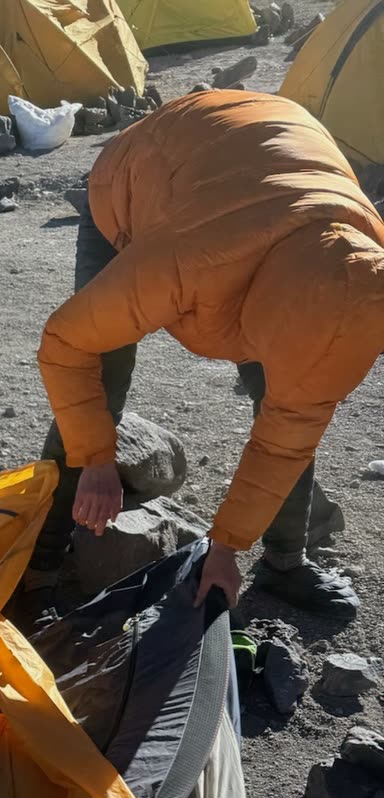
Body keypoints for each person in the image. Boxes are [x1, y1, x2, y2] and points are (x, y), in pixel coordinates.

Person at [29, 90, 384, 619]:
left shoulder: (363, 276)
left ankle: (285, 563)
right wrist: (97, 458)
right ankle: (38, 564)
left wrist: (226, 550)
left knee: (281, 395)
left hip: (265, 170)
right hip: (143, 174)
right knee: (105, 367)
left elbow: (291, 428)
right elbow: (66, 342)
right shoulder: (186, 261)